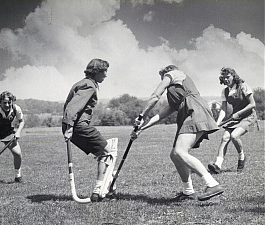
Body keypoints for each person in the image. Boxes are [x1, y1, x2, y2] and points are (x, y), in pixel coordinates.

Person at [131, 65, 224, 201]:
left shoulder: (174, 73)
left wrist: (141, 116)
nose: (163, 81)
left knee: (180, 152)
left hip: (195, 110)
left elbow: (155, 96)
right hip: (187, 113)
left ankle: (212, 184)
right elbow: (160, 115)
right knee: (175, 155)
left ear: (166, 74)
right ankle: (188, 192)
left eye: (162, 78)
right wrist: (141, 129)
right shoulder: (177, 97)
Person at [62, 58, 118, 202]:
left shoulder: (83, 83)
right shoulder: (89, 86)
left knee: (104, 152)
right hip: (78, 127)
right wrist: (69, 127)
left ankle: (106, 190)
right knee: (109, 152)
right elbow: (73, 107)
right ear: (96, 71)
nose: (106, 75)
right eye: (104, 71)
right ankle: (100, 191)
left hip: (75, 126)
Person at [208, 67, 257, 174]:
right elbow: (224, 109)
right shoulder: (225, 91)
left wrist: (239, 113)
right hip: (236, 118)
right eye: (223, 77)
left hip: (248, 116)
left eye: (228, 77)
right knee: (225, 137)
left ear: (233, 76)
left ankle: (241, 156)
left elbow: (252, 104)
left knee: (234, 136)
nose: (226, 79)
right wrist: (218, 122)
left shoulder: (243, 86)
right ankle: (218, 165)